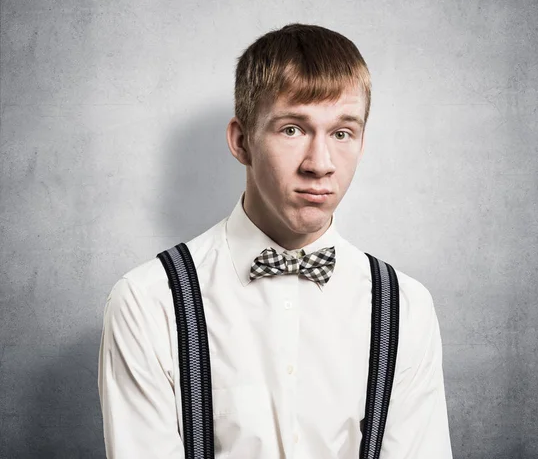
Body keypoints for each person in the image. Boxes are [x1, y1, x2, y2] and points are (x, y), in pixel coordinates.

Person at [98, 23, 453, 458]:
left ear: (362, 143)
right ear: (241, 140)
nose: (320, 164)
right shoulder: (148, 303)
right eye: (292, 129)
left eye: (342, 133)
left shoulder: (407, 307)